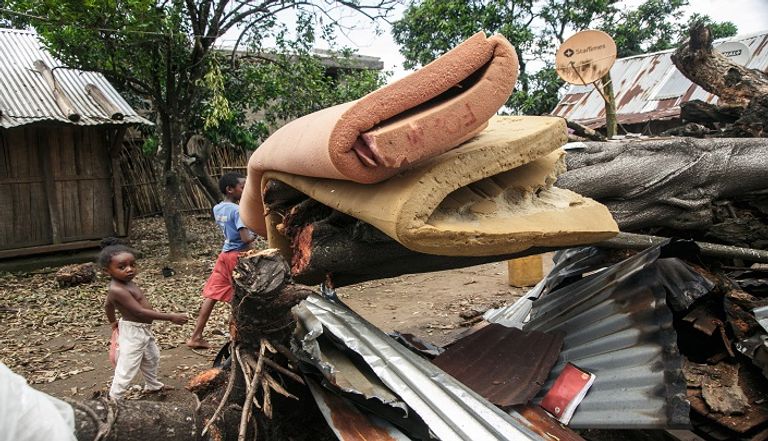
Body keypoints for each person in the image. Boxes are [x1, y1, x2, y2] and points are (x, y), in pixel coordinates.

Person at [101, 244, 188, 399]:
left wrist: (112, 322)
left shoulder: (126, 282)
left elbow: (108, 305)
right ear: (107, 271)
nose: (129, 269)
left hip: (143, 329)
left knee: (152, 356)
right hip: (133, 331)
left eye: (132, 265)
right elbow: (138, 311)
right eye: (122, 267)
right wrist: (171, 317)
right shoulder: (117, 289)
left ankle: (152, 384)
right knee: (127, 366)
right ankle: (114, 398)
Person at [187, 172, 257, 349]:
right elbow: (245, 238)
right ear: (230, 189)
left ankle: (196, 336)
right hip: (239, 257)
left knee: (212, 295)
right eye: (242, 186)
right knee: (244, 296)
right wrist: (255, 233)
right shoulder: (238, 210)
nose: (245, 189)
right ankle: (242, 336)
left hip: (224, 255)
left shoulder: (217, 208)